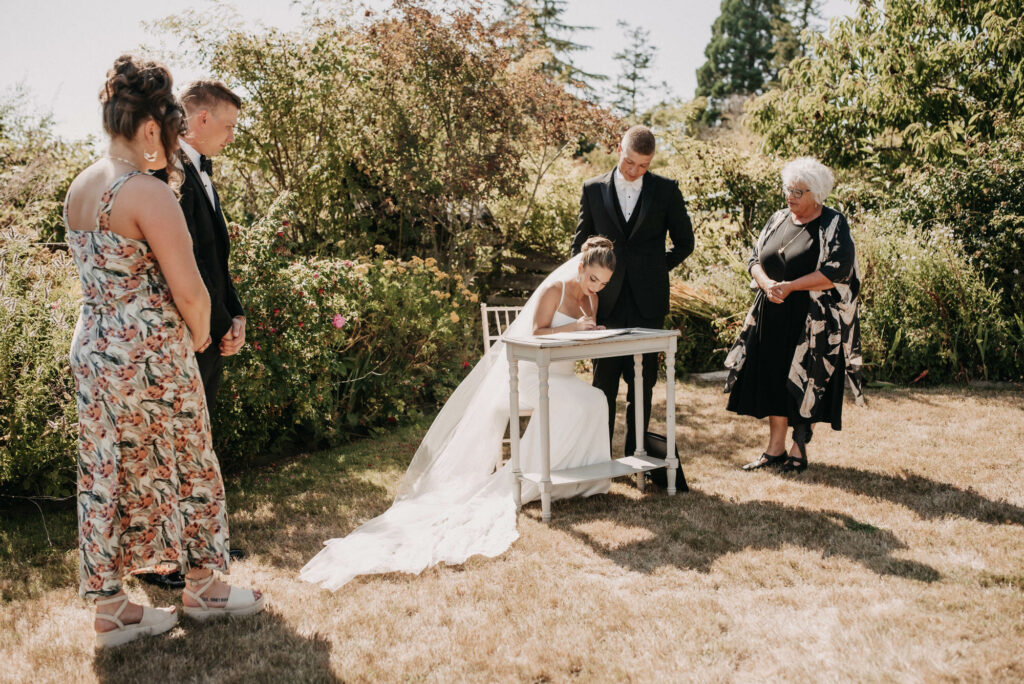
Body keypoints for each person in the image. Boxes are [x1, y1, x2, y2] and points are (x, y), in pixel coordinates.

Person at [65, 54, 263, 649]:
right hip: (150, 353)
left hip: (96, 347)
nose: (172, 144)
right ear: (150, 127)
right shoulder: (146, 192)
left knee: (108, 472)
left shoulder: (82, 186)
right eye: (170, 131)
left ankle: (112, 611)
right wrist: (202, 333)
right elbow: (190, 290)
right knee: (188, 461)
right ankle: (204, 586)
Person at [299, 238, 618, 590]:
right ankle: (539, 477)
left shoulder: (593, 300)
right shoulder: (553, 292)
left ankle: (581, 478)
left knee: (596, 399)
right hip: (530, 376)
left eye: (603, 283)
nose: (596, 287)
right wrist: (573, 328)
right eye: (593, 279)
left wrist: (593, 333)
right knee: (575, 403)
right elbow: (537, 335)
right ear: (580, 267)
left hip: (563, 376)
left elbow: (579, 342)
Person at [139, 79, 247, 590]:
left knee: (199, 441)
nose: (230, 136)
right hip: (182, 334)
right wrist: (208, 325)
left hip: (210, 330)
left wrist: (236, 316)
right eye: (227, 126)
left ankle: (205, 542)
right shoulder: (163, 174)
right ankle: (165, 557)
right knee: (170, 445)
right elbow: (182, 265)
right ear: (200, 119)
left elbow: (217, 260)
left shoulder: (202, 172)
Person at [724, 157, 863, 472]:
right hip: (772, 312)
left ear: (816, 194)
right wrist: (767, 283)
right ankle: (774, 449)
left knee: (803, 381)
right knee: (773, 378)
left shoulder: (832, 223)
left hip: (812, 319)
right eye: (788, 189)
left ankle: (798, 450)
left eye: (799, 192)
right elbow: (754, 257)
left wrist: (791, 286)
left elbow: (837, 270)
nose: (791, 196)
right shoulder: (777, 218)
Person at [571, 125, 694, 457]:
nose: (635, 171)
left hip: (648, 305)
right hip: (605, 305)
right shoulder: (593, 189)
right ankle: (599, 456)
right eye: (630, 162)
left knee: (642, 387)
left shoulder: (666, 190)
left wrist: (656, 269)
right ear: (619, 151)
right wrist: (589, 289)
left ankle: (635, 456)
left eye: (643, 165)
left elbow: (686, 243)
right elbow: (578, 249)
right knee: (603, 386)